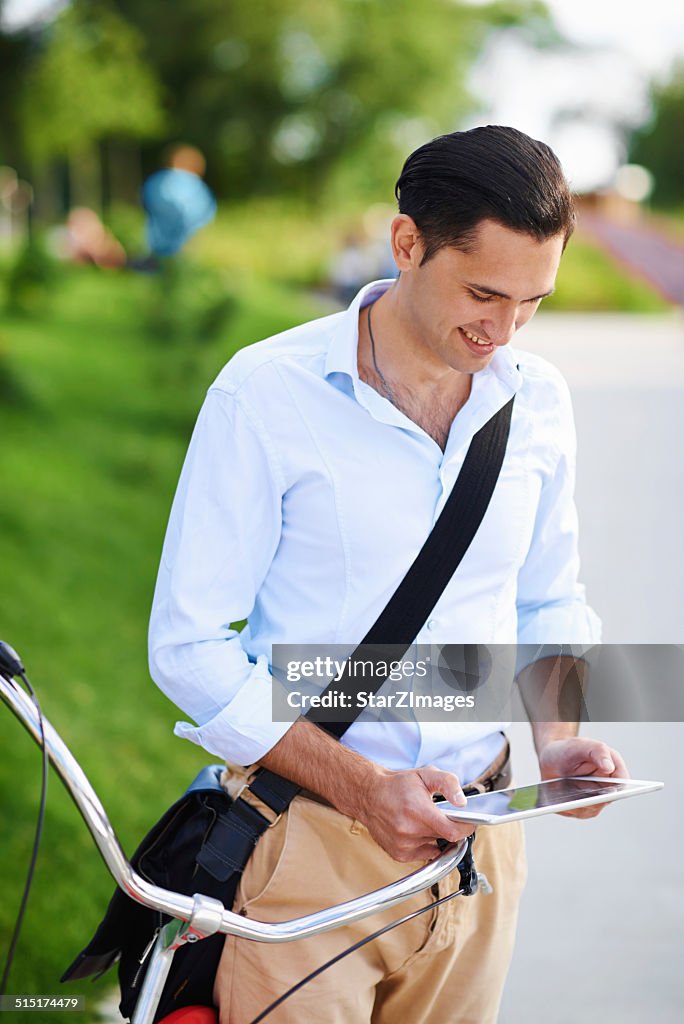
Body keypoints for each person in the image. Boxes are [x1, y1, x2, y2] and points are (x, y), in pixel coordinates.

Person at [148, 125, 629, 1024]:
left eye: (533, 302)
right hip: (312, 846)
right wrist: (363, 789)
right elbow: (186, 647)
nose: (504, 330)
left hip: (481, 850)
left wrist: (557, 739)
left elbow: (548, 598)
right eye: (484, 292)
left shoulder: (539, 400)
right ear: (406, 243)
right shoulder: (265, 394)